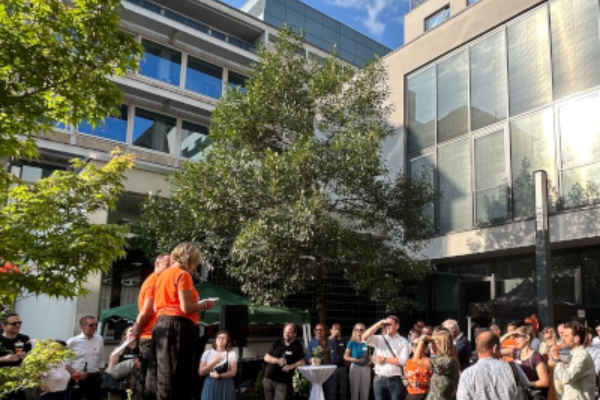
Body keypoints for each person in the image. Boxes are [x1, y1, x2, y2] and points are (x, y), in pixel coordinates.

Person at [145, 243, 215, 400]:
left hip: (161, 323)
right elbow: (186, 307)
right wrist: (205, 304)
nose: (195, 267)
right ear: (191, 259)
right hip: (177, 326)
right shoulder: (183, 275)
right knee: (177, 373)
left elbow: (157, 305)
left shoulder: (162, 275)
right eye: (196, 263)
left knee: (159, 372)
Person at [129, 253, 170, 400]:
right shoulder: (153, 282)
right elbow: (146, 311)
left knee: (153, 376)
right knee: (148, 376)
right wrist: (137, 329)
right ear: (157, 264)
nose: (170, 268)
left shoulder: (160, 281)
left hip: (154, 335)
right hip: (149, 336)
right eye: (167, 264)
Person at [456, 331, 530, 400]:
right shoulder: (513, 369)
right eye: (499, 349)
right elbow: (527, 390)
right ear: (494, 348)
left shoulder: (467, 374)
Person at [362, 316, 411, 400]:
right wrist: (378, 324)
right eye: (385, 325)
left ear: (397, 326)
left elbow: (403, 361)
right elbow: (364, 338)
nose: (387, 326)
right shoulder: (380, 339)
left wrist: (384, 359)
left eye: (390, 324)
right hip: (379, 379)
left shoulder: (403, 341)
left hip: (395, 380)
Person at [550, 321, 596, 399]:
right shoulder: (574, 354)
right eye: (562, 335)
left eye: (566, 336)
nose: (562, 339)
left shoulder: (582, 355)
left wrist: (557, 359)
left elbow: (566, 378)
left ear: (576, 339)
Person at [500, 326, 549, 396]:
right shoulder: (516, 352)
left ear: (527, 338)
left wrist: (525, 384)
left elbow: (544, 382)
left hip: (532, 395)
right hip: (521, 395)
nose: (515, 340)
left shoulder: (536, 357)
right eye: (515, 337)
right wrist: (507, 335)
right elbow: (496, 351)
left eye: (518, 337)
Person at [412, 329, 460, 400]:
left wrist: (422, 339)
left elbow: (416, 361)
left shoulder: (446, 361)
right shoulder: (449, 360)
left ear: (439, 344)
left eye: (433, 343)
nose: (430, 346)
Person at [263, 323, 305, 400]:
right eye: (285, 332)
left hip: (282, 381)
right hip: (268, 379)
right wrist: (277, 360)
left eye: (289, 332)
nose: (286, 334)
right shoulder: (277, 342)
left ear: (294, 334)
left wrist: (290, 366)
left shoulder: (297, 346)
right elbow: (266, 357)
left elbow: (302, 362)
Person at [66, 315, 104, 400]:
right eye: (91, 325)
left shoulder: (99, 339)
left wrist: (101, 369)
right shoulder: (72, 341)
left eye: (95, 325)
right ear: (82, 326)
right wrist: (74, 372)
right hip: (77, 377)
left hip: (94, 376)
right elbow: (65, 361)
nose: (94, 327)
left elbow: (101, 356)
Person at [0, 313, 32, 400]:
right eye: (14, 323)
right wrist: (4, 359)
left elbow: (31, 359)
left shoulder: (24, 339)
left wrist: (26, 357)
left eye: (19, 323)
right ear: (4, 326)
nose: (17, 325)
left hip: (19, 383)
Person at [306, 324, 342, 400]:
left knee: (329, 394)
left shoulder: (331, 342)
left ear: (325, 331)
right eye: (317, 330)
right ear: (314, 332)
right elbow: (308, 357)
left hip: (328, 373)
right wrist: (312, 360)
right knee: (316, 394)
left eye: (321, 330)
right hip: (316, 373)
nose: (319, 332)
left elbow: (335, 355)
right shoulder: (311, 343)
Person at [199, 331, 238, 400]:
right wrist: (213, 363)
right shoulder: (207, 353)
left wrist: (219, 376)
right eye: (219, 338)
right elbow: (201, 372)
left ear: (227, 341)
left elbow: (233, 372)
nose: (221, 340)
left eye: (224, 338)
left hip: (226, 383)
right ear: (216, 339)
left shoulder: (232, 353)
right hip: (211, 383)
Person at [107, 327, 141, 400]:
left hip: (137, 387)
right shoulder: (119, 349)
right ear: (125, 335)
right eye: (131, 331)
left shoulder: (143, 349)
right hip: (119, 386)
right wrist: (132, 363)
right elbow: (111, 370)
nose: (134, 332)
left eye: (136, 331)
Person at [344, 323, 372, 400]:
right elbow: (346, 357)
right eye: (357, 329)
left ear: (364, 331)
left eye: (361, 329)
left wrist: (371, 361)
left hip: (366, 368)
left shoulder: (367, 342)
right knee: (354, 393)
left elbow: (369, 355)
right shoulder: (351, 342)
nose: (359, 331)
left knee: (365, 393)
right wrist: (357, 360)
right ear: (354, 331)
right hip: (355, 368)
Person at [329, 323, 349, 400]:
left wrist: (347, 363)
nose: (338, 331)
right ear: (331, 330)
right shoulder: (329, 341)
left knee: (344, 390)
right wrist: (334, 336)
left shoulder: (343, 341)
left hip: (342, 368)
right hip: (332, 368)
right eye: (335, 329)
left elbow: (347, 352)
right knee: (333, 390)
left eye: (339, 329)